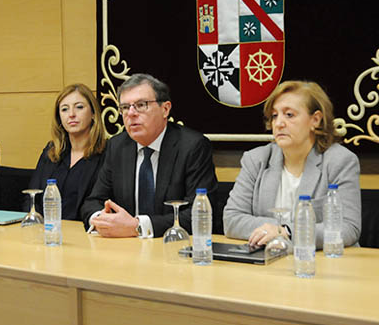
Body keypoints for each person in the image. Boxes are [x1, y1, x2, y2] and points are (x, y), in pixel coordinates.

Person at [223, 80, 361, 248]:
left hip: (323, 263)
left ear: (315, 120)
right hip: (268, 260)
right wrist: (275, 230)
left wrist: (286, 231)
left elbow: (347, 228)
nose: (279, 123)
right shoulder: (256, 159)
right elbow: (232, 219)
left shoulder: (340, 161)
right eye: (275, 115)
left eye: (289, 115)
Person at [79, 73, 218, 238]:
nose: (131, 113)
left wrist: (138, 227)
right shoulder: (117, 146)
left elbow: (200, 214)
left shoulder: (192, 147)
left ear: (165, 109)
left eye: (141, 105)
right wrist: (102, 220)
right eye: (124, 107)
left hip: (172, 249)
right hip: (124, 249)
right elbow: (92, 202)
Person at [21, 83, 106, 220]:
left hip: (88, 234)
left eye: (79, 107)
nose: (71, 114)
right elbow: (31, 199)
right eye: (64, 109)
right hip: (48, 233)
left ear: (93, 114)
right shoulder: (51, 152)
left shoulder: (107, 154)